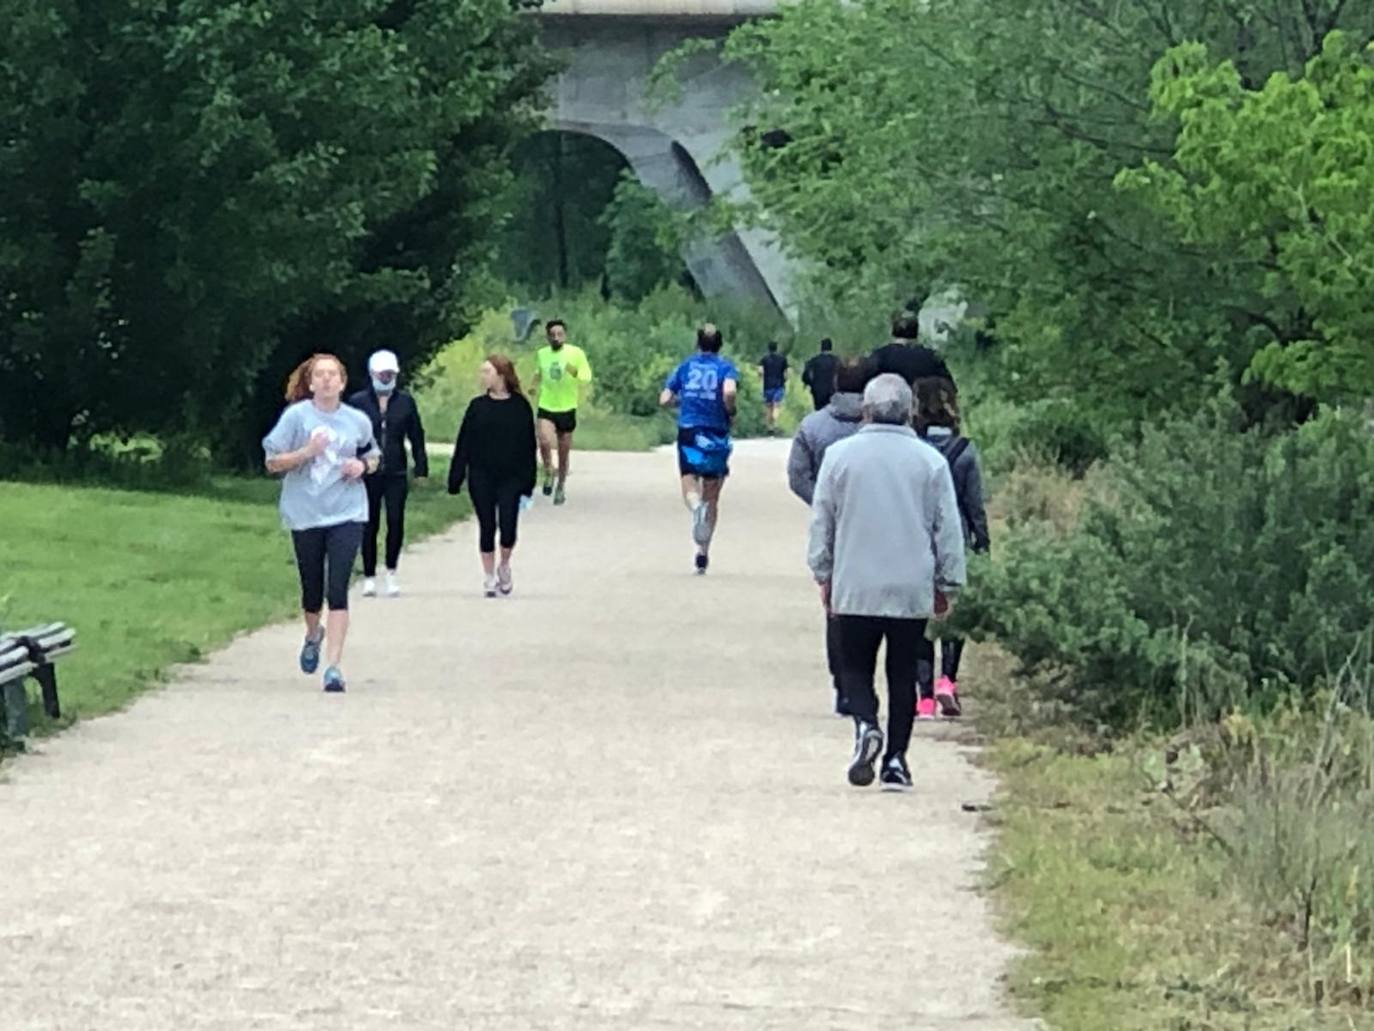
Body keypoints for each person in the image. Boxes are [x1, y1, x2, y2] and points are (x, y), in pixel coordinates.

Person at [808, 374, 966, 791]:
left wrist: (823, 572)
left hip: (855, 580)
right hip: (910, 585)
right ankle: (896, 759)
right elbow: (946, 527)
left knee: (854, 665)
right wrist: (948, 581)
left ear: (866, 409)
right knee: (903, 672)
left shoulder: (839, 457)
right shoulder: (930, 462)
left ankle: (865, 725)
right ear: (909, 411)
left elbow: (822, 519)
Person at [263, 353, 380, 693]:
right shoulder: (296, 417)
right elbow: (272, 461)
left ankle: (334, 667)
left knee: (337, 587)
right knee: (312, 589)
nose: (327, 380)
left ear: (343, 383)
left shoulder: (357, 420)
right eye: (320, 375)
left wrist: (363, 467)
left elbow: (373, 454)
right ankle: (313, 633)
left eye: (333, 375)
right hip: (306, 512)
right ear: (310, 382)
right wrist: (306, 452)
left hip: (348, 512)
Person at [788, 357, 874, 716]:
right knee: (877, 608)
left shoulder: (813, 426)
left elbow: (797, 476)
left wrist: (822, 502)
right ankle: (867, 681)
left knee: (836, 609)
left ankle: (843, 684)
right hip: (877, 525)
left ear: (836, 383)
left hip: (837, 527)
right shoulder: (886, 429)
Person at [914, 377, 990, 719]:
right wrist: (982, 541)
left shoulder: (911, 449)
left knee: (920, 617)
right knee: (951, 613)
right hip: (954, 536)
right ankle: (948, 680)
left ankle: (924, 696)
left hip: (916, 538)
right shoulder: (965, 451)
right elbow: (975, 505)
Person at [448, 355, 538, 598]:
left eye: (487, 372)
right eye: (482, 372)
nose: (483, 376)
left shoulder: (520, 406)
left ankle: (504, 565)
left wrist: (529, 480)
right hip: (481, 474)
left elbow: (529, 445)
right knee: (487, 525)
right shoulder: (477, 406)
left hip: (511, 476)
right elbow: (464, 442)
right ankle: (488, 575)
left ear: (501, 375)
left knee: (508, 525)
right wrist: (456, 476)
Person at [348, 349, 429, 598]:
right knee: (368, 523)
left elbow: (416, 436)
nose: (387, 378)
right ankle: (370, 576)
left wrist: (421, 467)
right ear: (373, 374)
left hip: (396, 471)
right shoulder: (358, 402)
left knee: (395, 521)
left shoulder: (405, 402)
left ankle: (392, 571)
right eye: (383, 374)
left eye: (390, 374)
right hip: (367, 473)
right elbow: (348, 437)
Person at [660, 324, 740, 575]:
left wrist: (680, 401)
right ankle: (703, 551)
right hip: (716, 430)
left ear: (698, 344)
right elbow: (729, 391)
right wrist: (730, 410)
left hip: (689, 429)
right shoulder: (726, 367)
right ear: (720, 345)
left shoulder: (685, 367)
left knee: (688, 477)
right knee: (713, 490)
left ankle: (695, 507)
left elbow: (664, 398)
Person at [531, 319, 592, 506]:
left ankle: (561, 487)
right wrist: (533, 385)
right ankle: (549, 469)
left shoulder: (575, 353)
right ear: (547, 337)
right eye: (553, 335)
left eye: (560, 334)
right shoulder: (542, 354)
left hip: (567, 407)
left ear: (565, 335)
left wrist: (573, 371)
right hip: (547, 405)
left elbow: (586, 377)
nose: (556, 338)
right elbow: (538, 372)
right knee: (544, 439)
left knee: (564, 453)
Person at [870, 315, 956, 388]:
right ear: (916, 332)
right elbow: (948, 387)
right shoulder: (931, 357)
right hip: (922, 405)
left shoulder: (880, 356)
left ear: (893, 331)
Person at [758, 341, 789, 435]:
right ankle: (775, 422)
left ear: (768, 348)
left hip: (767, 386)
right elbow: (787, 373)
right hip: (779, 385)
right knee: (776, 405)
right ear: (776, 348)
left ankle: (769, 427)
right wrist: (785, 381)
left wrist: (761, 380)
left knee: (768, 407)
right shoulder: (782, 359)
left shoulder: (764, 359)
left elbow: (760, 371)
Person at [801, 338, 841, 411]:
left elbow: (806, 375)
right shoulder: (836, 361)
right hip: (832, 391)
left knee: (819, 410)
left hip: (817, 390)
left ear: (821, 348)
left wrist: (810, 384)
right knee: (831, 411)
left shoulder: (814, 361)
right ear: (831, 347)